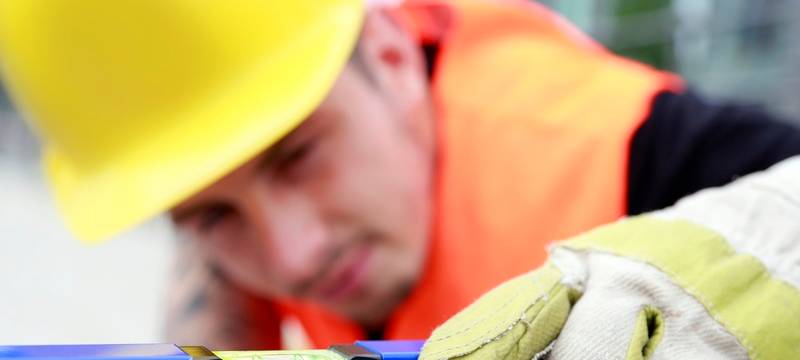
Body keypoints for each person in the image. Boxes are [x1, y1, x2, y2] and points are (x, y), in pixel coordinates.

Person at [0, 0, 798, 350]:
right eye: (211, 216)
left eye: (299, 155)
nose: (294, 258)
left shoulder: (639, 149)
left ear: (388, 54)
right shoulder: (289, 153)